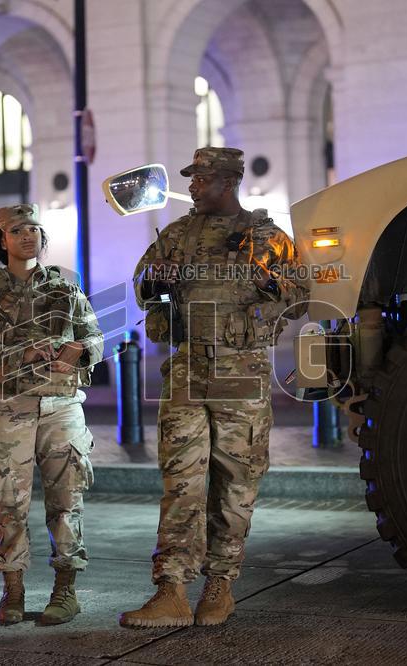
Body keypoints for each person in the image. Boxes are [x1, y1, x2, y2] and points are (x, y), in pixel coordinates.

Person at [120, 147, 309, 628]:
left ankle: (219, 587)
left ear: (228, 182)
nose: (194, 187)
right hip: (186, 370)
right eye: (193, 180)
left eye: (202, 180)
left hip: (239, 372)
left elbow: (301, 294)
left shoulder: (266, 237)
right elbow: (142, 283)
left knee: (235, 482)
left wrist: (270, 292)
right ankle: (171, 591)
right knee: (180, 479)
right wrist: (154, 280)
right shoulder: (178, 235)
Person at [0, 203, 103, 626]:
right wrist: (24, 354)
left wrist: (80, 351)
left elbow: (95, 335)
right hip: (8, 407)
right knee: (10, 504)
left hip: (62, 406)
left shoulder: (65, 288)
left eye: (35, 228)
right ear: (2, 239)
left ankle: (65, 592)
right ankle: (13, 592)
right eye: (18, 230)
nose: (28, 236)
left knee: (67, 502)